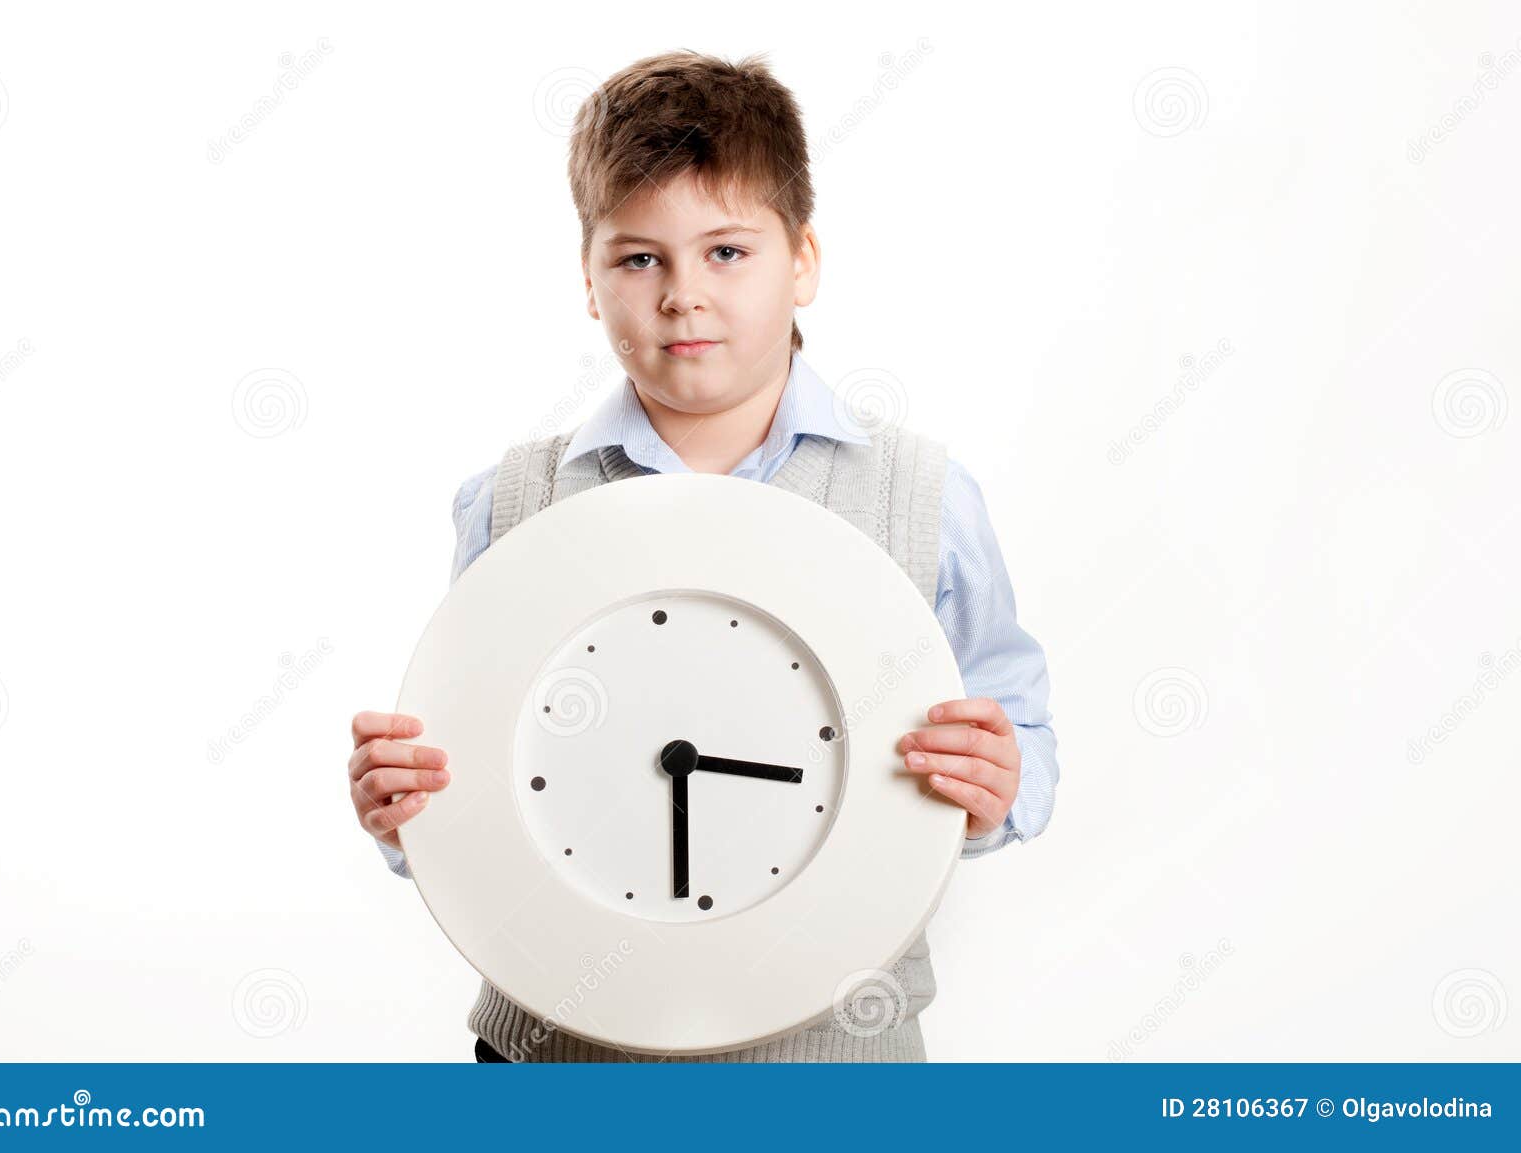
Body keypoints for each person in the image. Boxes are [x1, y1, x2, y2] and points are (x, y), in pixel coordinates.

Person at [347, 49, 1059, 1062]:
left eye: (726, 251)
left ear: (802, 259)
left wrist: (1000, 781)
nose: (683, 294)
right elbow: (476, 775)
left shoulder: (924, 498)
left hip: (836, 1064)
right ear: (589, 281)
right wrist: (406, 814)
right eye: (639, 259)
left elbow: (1018, 722)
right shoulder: (511, 503)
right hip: (555, 1062)